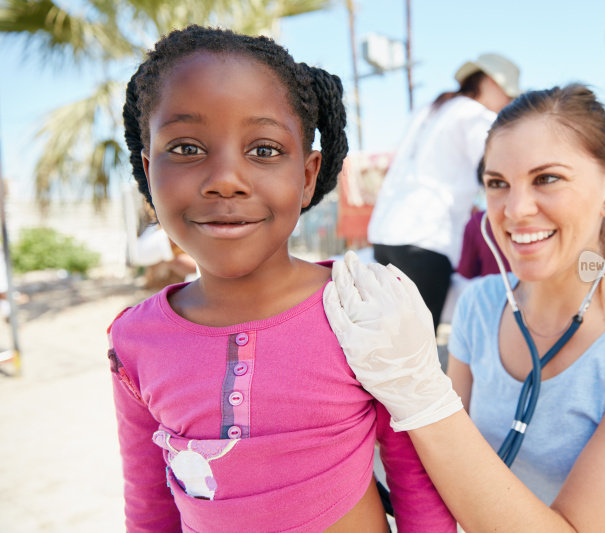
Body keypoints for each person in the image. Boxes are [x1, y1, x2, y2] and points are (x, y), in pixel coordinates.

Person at [324, 85, 605, 532]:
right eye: (497, 184)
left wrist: (419, 391)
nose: (515, 210)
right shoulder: (480, 305)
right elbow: (441, 461)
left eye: (547, 178)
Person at [109, 26, 454, 533]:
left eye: (264, 150)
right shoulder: (134, 340)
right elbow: (149, 505)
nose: (225, 178)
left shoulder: (362, 307)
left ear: (309, 174)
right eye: (185, 148)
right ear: (146, 168)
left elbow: (413, 474)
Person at [367, 53, 520, 330]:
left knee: (384, 339)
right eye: (509, 94)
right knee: (416, 349)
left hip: (384, 234)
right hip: (425, 240)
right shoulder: (476, 115)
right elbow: (495, 169)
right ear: (487, 81)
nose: (509, 103)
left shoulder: (430, 109)